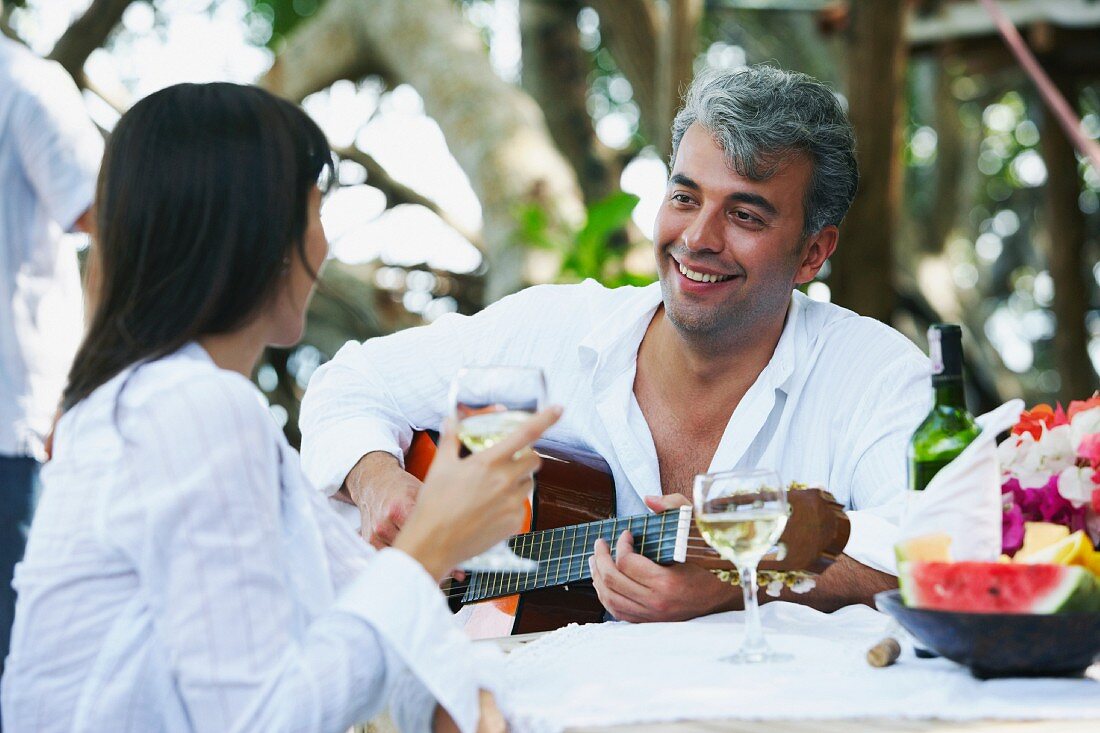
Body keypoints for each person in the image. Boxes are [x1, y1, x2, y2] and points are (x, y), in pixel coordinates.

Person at [0, 82, 559, 732]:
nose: (325, 245)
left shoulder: (146, 400)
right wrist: (433, 543)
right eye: (318, 211)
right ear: (262, 231)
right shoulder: (190, 409)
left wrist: (457, 701)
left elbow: (359, 609)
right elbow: (266, 718)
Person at [298, 65, 931, 624]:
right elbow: (348, 384)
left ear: (813, 253)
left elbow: (927, 548)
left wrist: (738, 579)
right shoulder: (552, 327)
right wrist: (379, 480)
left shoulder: (874, 374)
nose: (698, 238)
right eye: (685, 197)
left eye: (745, 215)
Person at [0, 36, 103, 679]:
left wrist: (89, 384)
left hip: (13, 437)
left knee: (20, 669)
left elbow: (115, 229)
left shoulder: (25, 88)